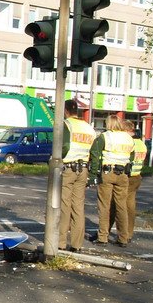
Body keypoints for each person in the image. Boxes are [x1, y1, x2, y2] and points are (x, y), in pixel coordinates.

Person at [88, 114, 134, 246]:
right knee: (121, 206)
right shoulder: (128, 138)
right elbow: (132, 156)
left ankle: (103, 237)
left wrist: (93, 175)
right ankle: (123, 238)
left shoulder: (105, 136)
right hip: (123, 174)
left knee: (104, 206)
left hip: (107, 173)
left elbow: (95, 154)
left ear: (108, 124)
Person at [58, 99, 96, 252]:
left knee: (65, 206)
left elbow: (65, 145)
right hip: (83, 168)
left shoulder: (67, 125)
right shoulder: (88, 128)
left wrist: (56, 158)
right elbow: (93, 150)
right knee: (78, 207)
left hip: (68, 167)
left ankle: (60, 242)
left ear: (66, 110)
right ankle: (77, 244)